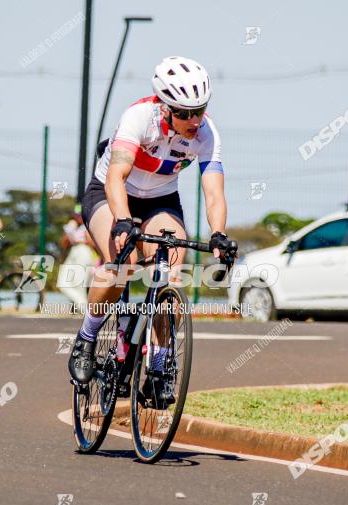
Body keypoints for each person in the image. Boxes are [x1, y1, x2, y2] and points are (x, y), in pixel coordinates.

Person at [67, 56, 234, 406]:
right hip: (111, 194)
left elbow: (214, 190)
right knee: (119, 266)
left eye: (200, 110)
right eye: (185, 112)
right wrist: (124, 221)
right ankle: (86, 338)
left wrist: (218, 233)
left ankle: (158, 369)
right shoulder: (138, 117)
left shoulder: (206, 133)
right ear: (163, 106)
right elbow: (116, 177)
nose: (194, 120)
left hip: (161, 199)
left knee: (170, 275)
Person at [57, 204, 96, 310]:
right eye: (76, 215)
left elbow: (93, 243)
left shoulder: (89, 225)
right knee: (63, 283)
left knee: (79, 286)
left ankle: (85, 310)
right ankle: (85, 309)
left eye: (79, 215)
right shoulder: (73, 226)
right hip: (74, 251)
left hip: (83, 252)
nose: (77, 217)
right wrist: (69, 233)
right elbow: (64, 244)